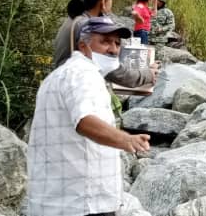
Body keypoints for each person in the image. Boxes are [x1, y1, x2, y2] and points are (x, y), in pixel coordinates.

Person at [27, 16, 151, 216]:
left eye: (117, 43)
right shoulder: (84, 74)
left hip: (55, 200)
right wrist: (125, 139)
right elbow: (84, 121)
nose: (112, 49)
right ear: (83, 46)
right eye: (104, 41)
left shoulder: (60, 75)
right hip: (84, 203)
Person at [53, 0, 158, 88]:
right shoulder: (89, 26)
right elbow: (116, 72)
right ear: (103, 2)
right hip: (78, 90)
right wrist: (148, 74)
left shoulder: (75, 19)